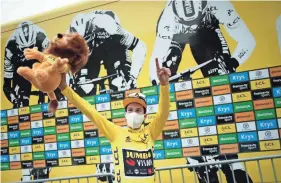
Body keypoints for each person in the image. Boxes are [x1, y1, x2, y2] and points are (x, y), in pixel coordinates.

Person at [57, 58, 171, 183]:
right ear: (125, 114)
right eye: (130, 110)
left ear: (145, 116)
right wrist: (64, 88)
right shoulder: (116, 133)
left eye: (138, 110)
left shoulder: (150, 132)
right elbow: (89, 110)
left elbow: (163, 113)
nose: (134, 113)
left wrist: (164, 85)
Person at [149, 0, 256, 84]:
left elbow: (248, 40)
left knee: (221, 71)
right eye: (186, 22)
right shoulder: (168, 18)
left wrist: (233, 62)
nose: (192, 27)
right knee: (167, 66)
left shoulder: (219, 5)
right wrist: (156, 80)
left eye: (195, 21)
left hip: (205, 30)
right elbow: (156, 59)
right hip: (176, 34)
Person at [67, 10, 147, 96]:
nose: (85, 48)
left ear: (93, 31)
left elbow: (140, 46)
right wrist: (69, 81)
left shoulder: (109, 26)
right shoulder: (67, 39)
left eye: (87, 42)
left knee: (120, 83)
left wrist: (133, 76)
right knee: (83, 87)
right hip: (91, 55)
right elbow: (62, 65)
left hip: (112, 46)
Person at [3, 21, 50, 108]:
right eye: (23, 49)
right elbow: (6, 85)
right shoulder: (10, 48)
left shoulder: (43, 40)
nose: (26, 52)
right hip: (20, 66)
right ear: (17, 45)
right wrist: (14, 99)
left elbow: (54, 68)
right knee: (20, 99)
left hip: (39, 64)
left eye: (31, 47)